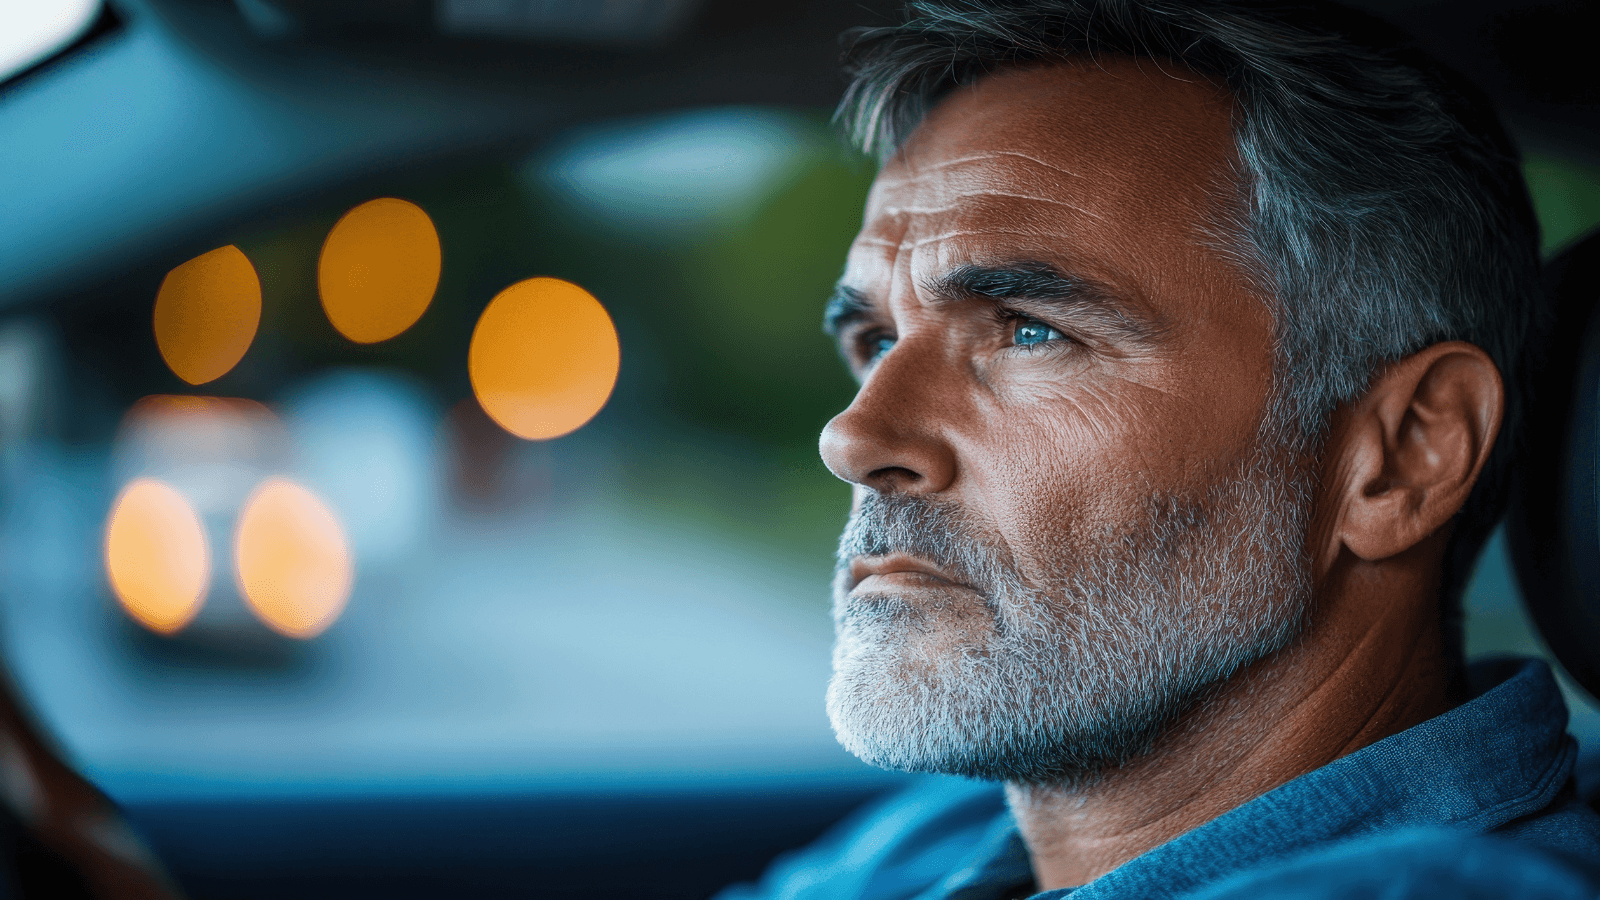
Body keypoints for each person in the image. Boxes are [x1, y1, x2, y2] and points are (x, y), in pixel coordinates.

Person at [719, 0, 1600, 897]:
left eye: (1029, 332)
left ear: (1407, 453)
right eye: (874, 341)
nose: (854, 437)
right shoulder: (927, 840)